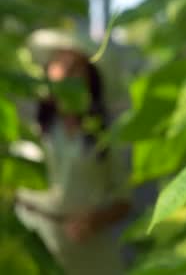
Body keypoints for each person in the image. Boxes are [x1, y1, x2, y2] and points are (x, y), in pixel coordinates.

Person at [15, 48, 130, 275]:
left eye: (76, 65)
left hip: (89, 251)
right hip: (34, 242)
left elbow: (123, 199)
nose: (67, 70)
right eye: (60, 63)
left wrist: (95, 219)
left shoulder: (104, 134)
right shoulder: (30, 127)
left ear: (90, 77)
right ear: (47, 73)